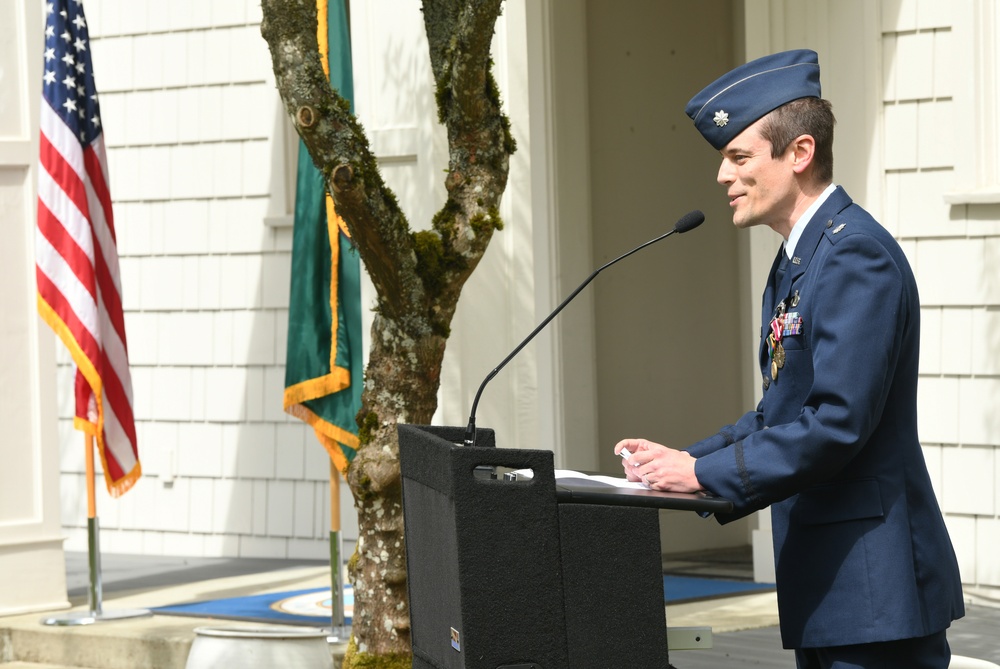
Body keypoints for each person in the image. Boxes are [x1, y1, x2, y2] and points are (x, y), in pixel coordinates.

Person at [615, 49, 965, 668]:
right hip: (835, 589)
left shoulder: (856, 256)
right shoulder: (800, 260)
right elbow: (781, 410)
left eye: (739, 156)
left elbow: (837, 422)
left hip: (872, 592)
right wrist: (685, 461)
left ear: (799, 153)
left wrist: (703, 477)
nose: (723, 176)